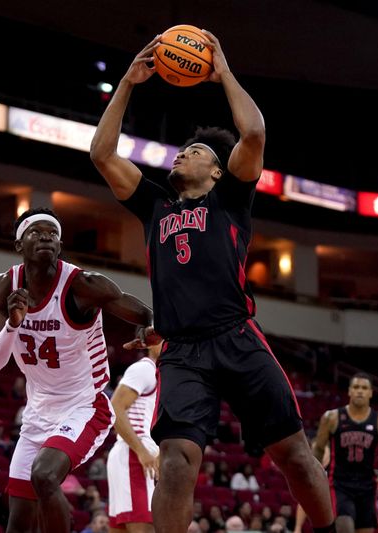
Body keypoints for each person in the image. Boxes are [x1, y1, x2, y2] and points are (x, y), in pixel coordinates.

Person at [90, 32, 335, 533]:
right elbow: (101, 154)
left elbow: (255, 135)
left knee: (295, 456)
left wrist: (221, 71)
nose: (182, 154)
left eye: (195, 150)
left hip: (237, 337)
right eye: (182, 149)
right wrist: (128, 85)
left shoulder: (231, 200)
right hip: (182, 351)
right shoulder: (154, 203)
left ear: (218, 171)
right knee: (177, 461)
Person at [0, 207, 156, 533]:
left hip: (84, 406)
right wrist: (12, 326)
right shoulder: (4, 286)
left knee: (44, 475)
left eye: (52, 233)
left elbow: (143, 313)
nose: (46, 237)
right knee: (17, 521)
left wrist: (153, 327)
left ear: (59, 246)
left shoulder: (83, 285)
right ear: (19, 245)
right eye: (36, 232)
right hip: (37, 411)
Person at [311, 374, 378, 533]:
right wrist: (313, 472)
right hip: (339, 484)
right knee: (345, 526)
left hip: (367, 486)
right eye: (356, 387)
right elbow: (318, 448)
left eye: (364, 388)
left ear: (371, 393)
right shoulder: (332, 417)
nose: (360, 391)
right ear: (349, 391)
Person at [108, 343, 161, 533]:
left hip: (141, 458)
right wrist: (142, 452)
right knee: (145, 528)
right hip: (135, 457)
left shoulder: (164, 374)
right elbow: (115, 408)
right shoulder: (145, 369)